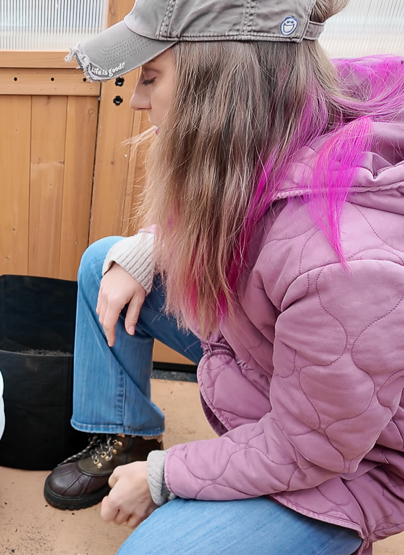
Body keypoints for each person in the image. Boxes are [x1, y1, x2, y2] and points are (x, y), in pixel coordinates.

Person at [43, 0, 404, 553]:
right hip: (280, 363)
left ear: (220, 88)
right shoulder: (285, 109)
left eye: (152, 77)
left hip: (350, 460)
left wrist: (165, 477)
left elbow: (312, 449)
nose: (137, 99)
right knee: (105, 262)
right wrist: (149, 247)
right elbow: (242, 196)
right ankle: (127, 434)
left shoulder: (343, 265)